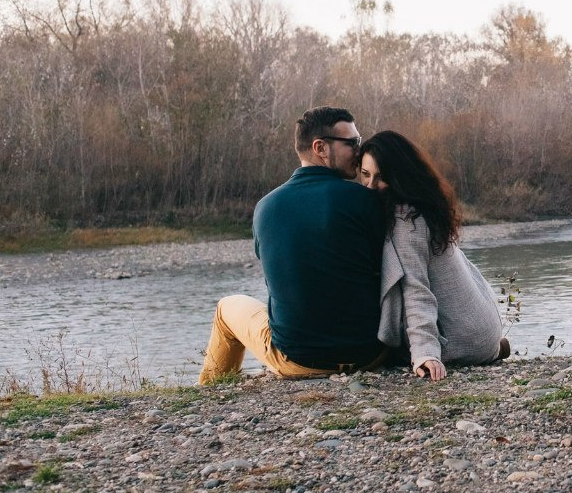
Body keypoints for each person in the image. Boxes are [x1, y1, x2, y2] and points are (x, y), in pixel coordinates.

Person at [198, 106, 386, 384]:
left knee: (227, 307)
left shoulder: (266, 207)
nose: (359, 151)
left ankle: (211, 391)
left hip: (297, 361)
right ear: (320, 147)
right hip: (372, 355)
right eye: (352, 143)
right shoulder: (367, 200)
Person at [356, 130, 508, 381]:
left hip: (462, 339)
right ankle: (492, 348)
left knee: (381, 351)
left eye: (381, 178)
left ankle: (481, 351)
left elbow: (416, 289)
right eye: (365, 175)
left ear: (399, 178)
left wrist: (425, 353)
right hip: (482, 327)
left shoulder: (405, 222)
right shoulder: (424, 208)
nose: (371, 186)